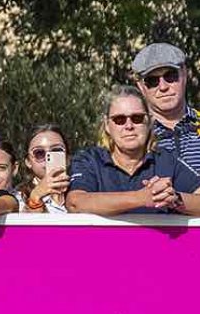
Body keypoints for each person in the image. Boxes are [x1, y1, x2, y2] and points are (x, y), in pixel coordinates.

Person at [67, 85, 200, 215]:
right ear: (107, 125)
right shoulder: (89, 160)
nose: (129, 126)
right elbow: (75, 202)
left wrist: (174, 199)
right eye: (119, 120)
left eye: (137, 118)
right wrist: (141, 198)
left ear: (149, 122)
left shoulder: (166, 161)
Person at [132, 43, 200, 171]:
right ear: (141, 86)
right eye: (152, 81)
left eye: (170, 76)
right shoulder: (131, 135)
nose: (163, 87)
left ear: (184, 74)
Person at [19, 124, 71, 213]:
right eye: (39, 153)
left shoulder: (79, 192)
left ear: (67, 158)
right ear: (28, 162)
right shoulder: (18, 198)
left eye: (56, 150)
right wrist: (36, 196)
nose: (47, 158)